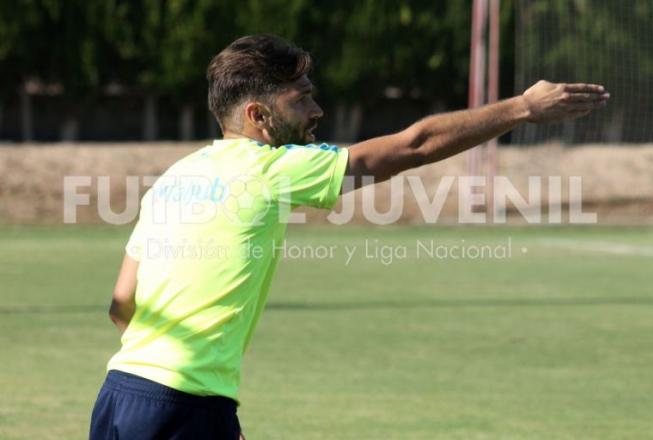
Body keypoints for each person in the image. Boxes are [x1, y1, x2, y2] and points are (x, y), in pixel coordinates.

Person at [89, 34, 609, 439]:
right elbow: (415, 146)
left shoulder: (176, 177)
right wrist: (523, 108)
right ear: (258, 115)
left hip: (118, 397)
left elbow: (121, 303)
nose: (317, 113)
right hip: (184, 405)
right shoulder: (269, 168)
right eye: (303, 100)